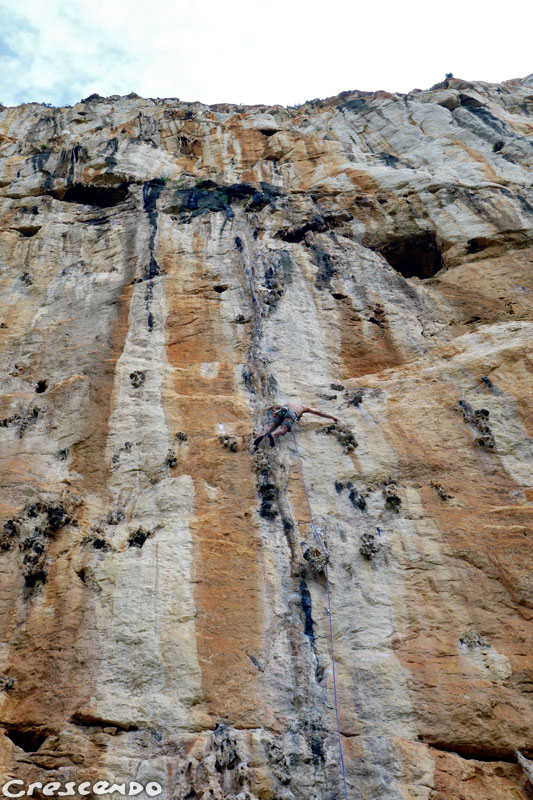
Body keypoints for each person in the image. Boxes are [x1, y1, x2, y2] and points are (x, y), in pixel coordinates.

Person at [253, 401, 339, 450]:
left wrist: (269, 408)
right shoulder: (304, 407)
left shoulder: (289, 403)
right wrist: (333, 417)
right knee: (284, 429)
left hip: (283, 409)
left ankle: (261, 435)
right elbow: (318, 413)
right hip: (291, 413)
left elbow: (275, 406)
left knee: (270, 426)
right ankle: (273, 434)